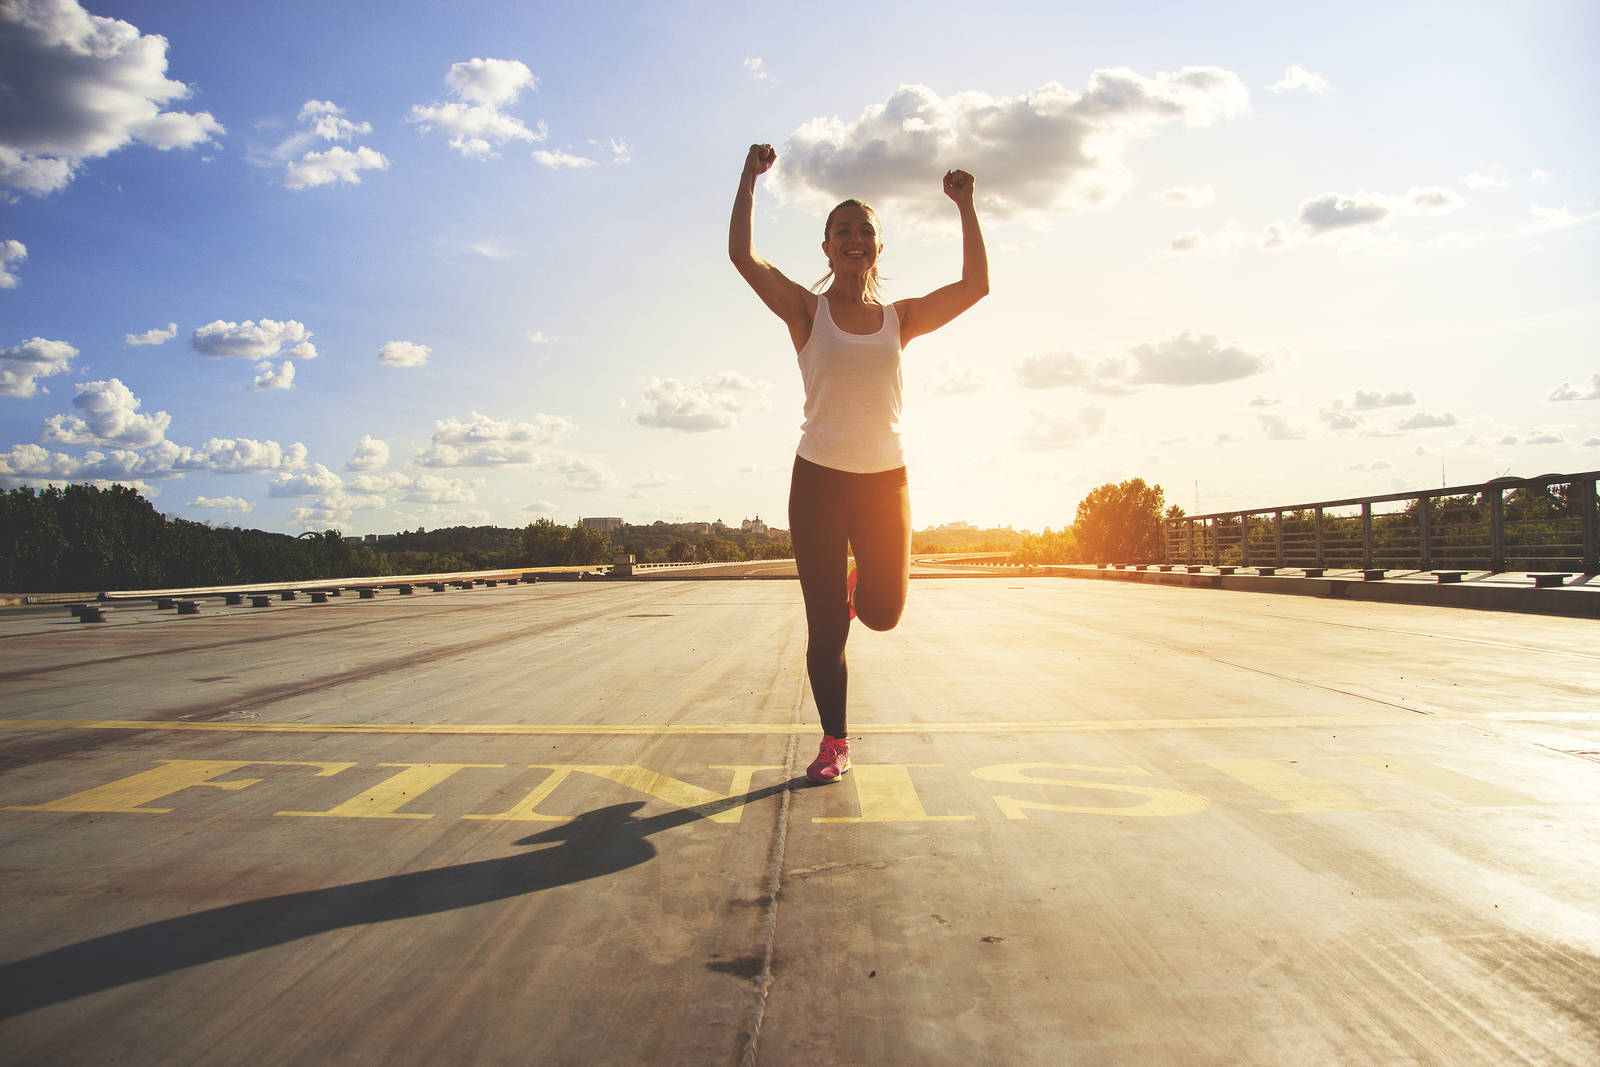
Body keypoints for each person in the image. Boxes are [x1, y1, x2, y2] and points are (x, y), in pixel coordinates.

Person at [729, 143, 989, 784]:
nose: (854, 239)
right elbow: (742, 255)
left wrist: (966, 205)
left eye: (865, 231)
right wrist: (749, 177)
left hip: (884, 481)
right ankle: (834, 741)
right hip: (817, 477)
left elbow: (976, 286)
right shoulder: (806, 311)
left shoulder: (898, 320)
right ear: (826, 247)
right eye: (842, 230)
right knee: (825, 630)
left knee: (883, 612)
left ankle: (856, 589)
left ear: (878, 248)